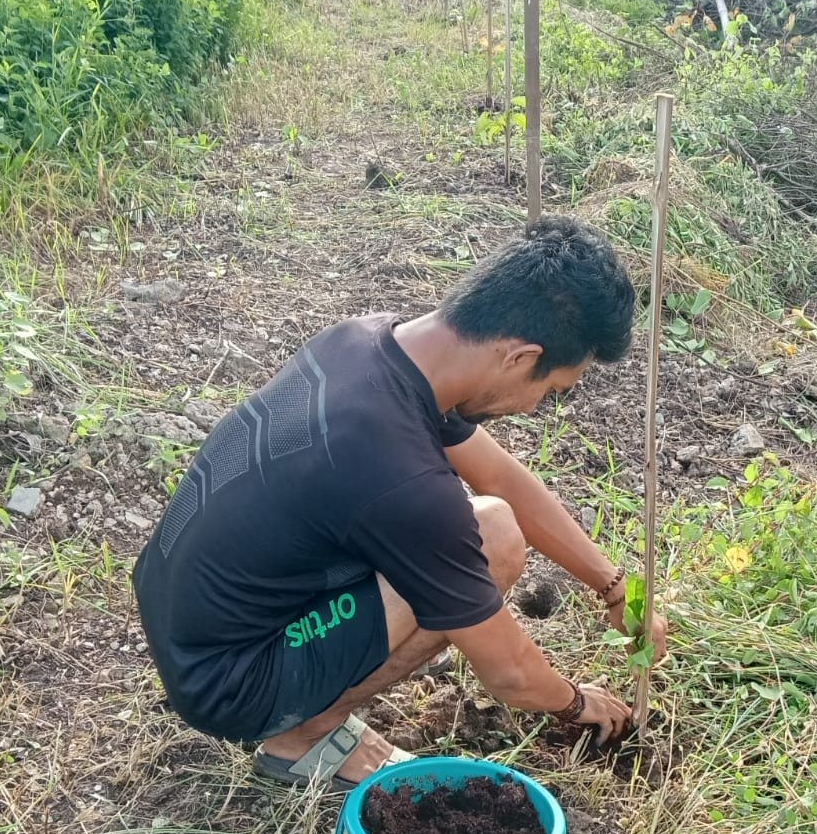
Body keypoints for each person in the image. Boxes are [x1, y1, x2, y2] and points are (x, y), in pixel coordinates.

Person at [131, 215, 669, 790]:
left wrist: (614, 586)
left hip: (186, 617)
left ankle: (318, 692)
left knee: (492, 525)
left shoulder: (369, 345)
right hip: (229, 682)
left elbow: (501, 477)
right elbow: (510, 674)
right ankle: (306, 734)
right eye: (549, 388)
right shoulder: (399, 475)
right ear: (519, 357)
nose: (534, 407)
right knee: (488, 548)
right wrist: (575, 702)